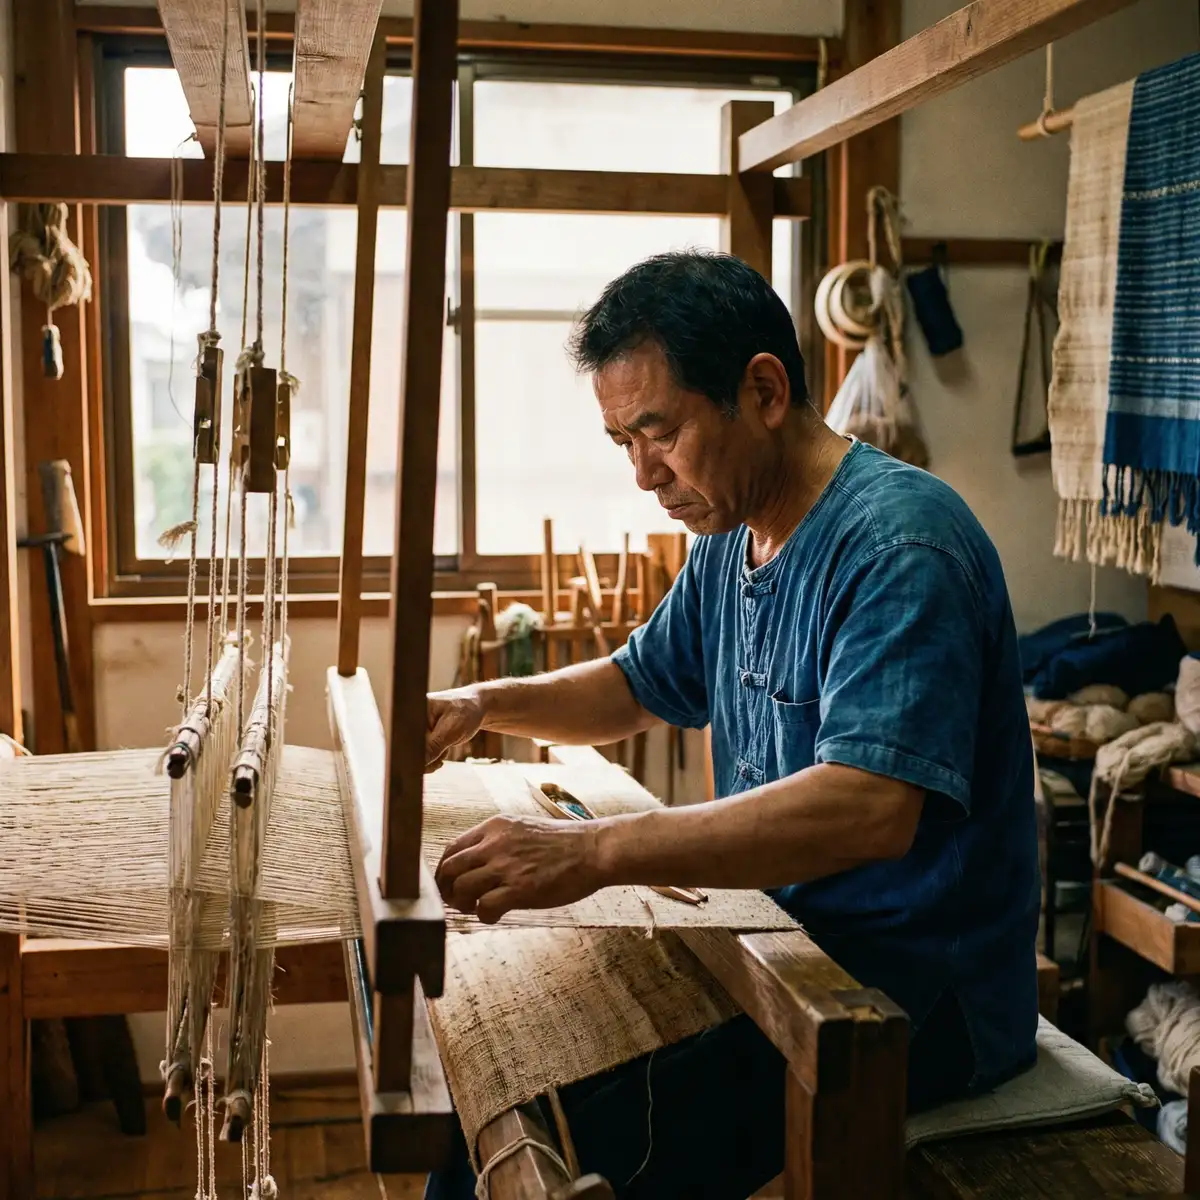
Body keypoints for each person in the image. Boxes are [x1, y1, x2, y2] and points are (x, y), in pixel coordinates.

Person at [423, 251, 1039, 1199]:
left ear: (761, 390)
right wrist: (485, 707)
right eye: (621, 441)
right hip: (774, 942)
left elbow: (868, 809)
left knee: (565, 1154)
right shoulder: (730, 537)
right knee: (500, 1130)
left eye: (658, 432)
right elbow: (636, 685)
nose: (642, 474)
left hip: (911, 993)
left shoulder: (901, 545)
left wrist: (592, 854)